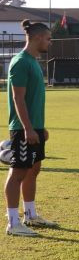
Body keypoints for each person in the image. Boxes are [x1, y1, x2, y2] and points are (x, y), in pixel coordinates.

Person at [6, 20, 57, 236]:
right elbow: (18, 99)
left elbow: (34, 99)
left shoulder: (34, 62)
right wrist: (27, 128)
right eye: (48, 38)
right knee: (18, 172)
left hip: (34, 128)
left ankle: (30, 215)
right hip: (22, 129)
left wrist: (39, 127)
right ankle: (13, 223)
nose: (49, 42)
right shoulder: (20, 62)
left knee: (33, 170)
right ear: (37, 38)